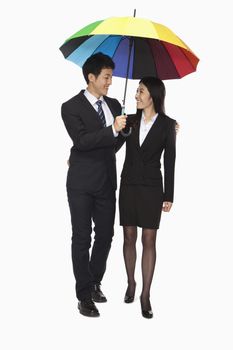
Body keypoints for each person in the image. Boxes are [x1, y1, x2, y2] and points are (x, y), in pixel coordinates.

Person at [61, 53, 127, 317]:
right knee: (81, 237)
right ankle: (83, 295)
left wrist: (122, 132)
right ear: (91, 77)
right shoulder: (70, 107)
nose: (110, 82)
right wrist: (111, 129)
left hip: (107, 181)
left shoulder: (114, 104)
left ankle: (94, 281)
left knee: (106, 236)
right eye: (106, 77)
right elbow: (82, 140)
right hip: (81, 182)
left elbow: (113, 146)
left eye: (112, 76)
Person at [119, 76, 176, 319]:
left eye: (140, 91)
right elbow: (112, 145)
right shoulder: (128, 120)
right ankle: (131, 283)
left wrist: (169, 195)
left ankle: (145, 294)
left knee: (149, 240)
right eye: (135, 91)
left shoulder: (168, 125)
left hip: (152, 188)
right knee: (129, 236)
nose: (136, 95)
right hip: (129, 185)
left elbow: (170, 160)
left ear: (152, 94)